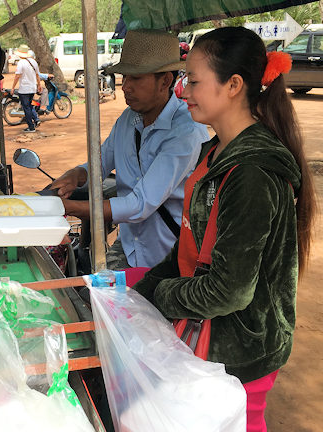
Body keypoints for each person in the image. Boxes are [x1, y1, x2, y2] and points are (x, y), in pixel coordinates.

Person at [132, 27, 315, 431]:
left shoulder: (252, 172)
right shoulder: (216, 152)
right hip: (213, 340)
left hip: (242, 351)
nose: (183, 91)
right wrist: (140, 291)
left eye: (193, 81)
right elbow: (191, 247)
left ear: (233, 85)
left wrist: (159, 295)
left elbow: (228, 290)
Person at [50, 29, 209, 269]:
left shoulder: (186, 131)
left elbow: (140, 204)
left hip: (169, 257)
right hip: (130, 244)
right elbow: (101, 163)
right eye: (125, 77)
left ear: (165, 81)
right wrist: (76, 175)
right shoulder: (128, 118)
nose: (125, 86)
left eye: (136, 78)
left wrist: (71, 209)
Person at [11, 44, 41, 132]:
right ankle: (36, 119)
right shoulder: (33, 62)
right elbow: (37, 75)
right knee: (30, 105)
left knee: (26, 107)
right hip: (32, 88)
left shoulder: (21, 63)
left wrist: (13, 87)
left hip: (24, 88)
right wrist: (39, 85)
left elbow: (17, 76)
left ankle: (31, 126)